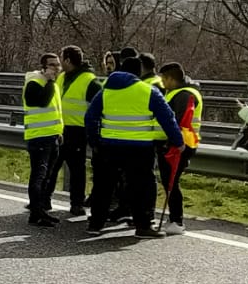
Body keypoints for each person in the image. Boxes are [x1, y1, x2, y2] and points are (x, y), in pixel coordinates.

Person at [84, 51, 182, 237]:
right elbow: (168, 118)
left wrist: (94, 141)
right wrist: (178, 141)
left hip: (108, 145)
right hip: (139, 148)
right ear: (139, 73)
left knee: (104, 186)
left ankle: (95, 224)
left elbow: (90, 117)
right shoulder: (147, 91)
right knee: (142, 187)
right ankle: (143, 225)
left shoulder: (106, 90)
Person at [157, 61, 202, 233]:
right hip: (177, 143)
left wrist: (173, 143)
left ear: (170, 78)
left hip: (181, 144)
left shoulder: (184, 95)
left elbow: (179, 120)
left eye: (163, 79)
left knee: (171, 182)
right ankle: (173, 219)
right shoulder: (175, 93)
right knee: (169, 181)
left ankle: (177, 220)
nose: (162, 82)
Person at [21, 51, 64, 227]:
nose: (56, 68)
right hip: (39, 137)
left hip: (51, 135)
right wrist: (50, 81)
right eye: (52, 65)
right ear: (43, 67)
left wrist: (58, 132)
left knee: (46, 175)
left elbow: (54, 111)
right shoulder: (34, 82)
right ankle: (36, 212)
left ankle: (39, 211)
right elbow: (43, 102)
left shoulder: (52, 84)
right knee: (38, 175)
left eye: (57, 64)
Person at [56, 46, 97, 219]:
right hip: (59, 128)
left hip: (78, 131)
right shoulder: (62, 77)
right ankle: (42, 200)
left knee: (77, 169)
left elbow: (96, 107)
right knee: (52, 166)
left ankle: (77, 203)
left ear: (67, 60)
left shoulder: (90, 80)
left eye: (61, 58)